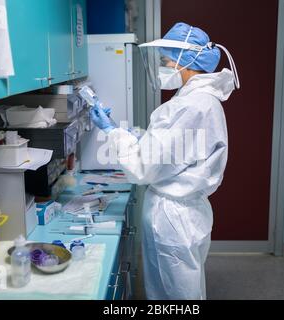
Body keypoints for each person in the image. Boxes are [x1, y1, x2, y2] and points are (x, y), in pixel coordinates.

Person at [90, 22, 240, 300]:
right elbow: (169, 151)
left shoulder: (189, 106)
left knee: (176, 294)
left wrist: (111, 132)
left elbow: (143, 167)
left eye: (166, 59)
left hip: (173, 217)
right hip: (185, 212)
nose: (163, 65)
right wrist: (126, 133)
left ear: (187, 61)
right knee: (181, 289)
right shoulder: (200, 100)